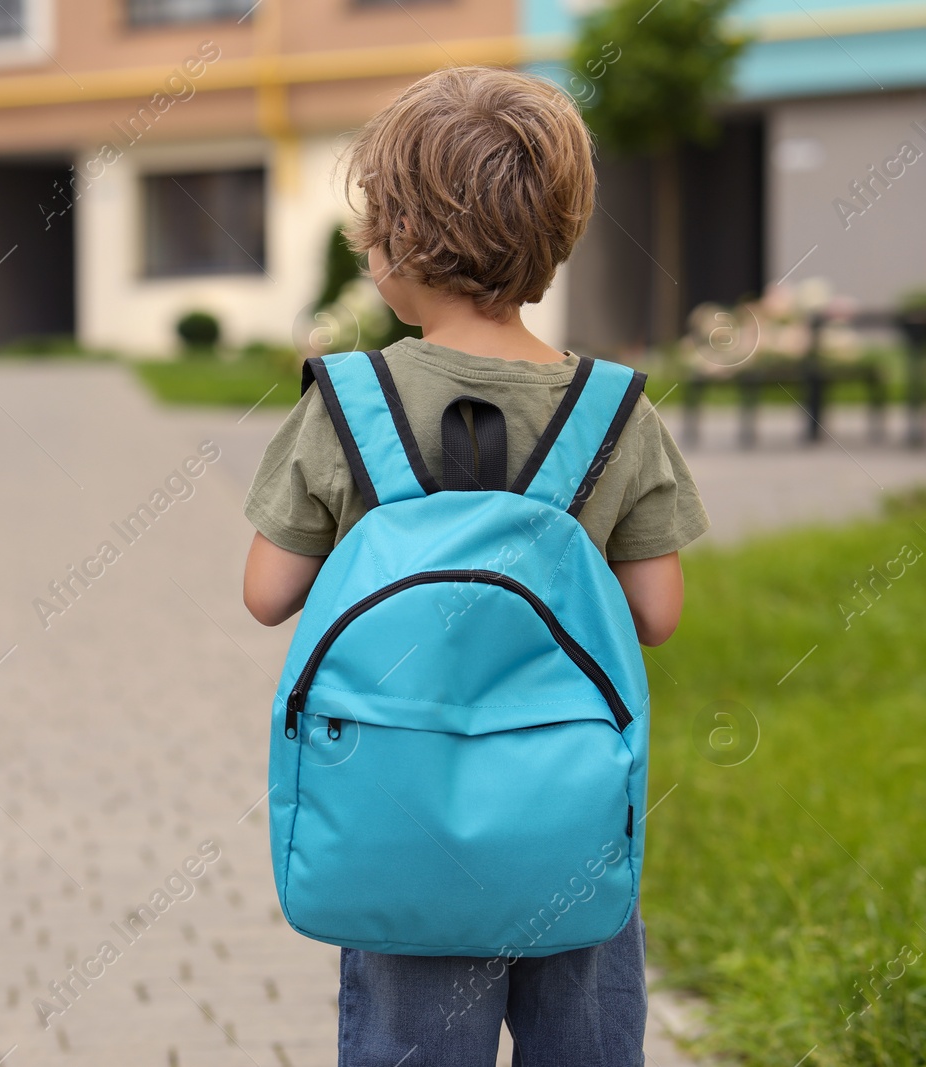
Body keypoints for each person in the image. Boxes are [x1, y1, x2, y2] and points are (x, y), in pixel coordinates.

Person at [240, 66, 710, 1065]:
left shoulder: (348, 403)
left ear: (396, 239)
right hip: (566, 825)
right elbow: (657, 612)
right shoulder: (614, 412)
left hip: (395, 823)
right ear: (558, 236)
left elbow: (266, 592)